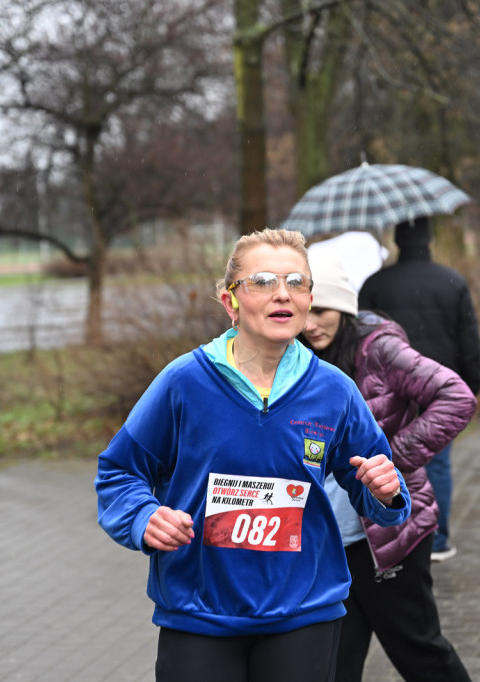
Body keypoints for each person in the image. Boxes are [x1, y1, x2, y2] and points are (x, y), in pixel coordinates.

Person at [95, 228, 411, 682]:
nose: (283, 293)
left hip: (305, 615)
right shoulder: (184, 382)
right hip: (200, 614)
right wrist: (142, 516)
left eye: (297, 282)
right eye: (263, 281)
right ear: (230, 302)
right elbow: (119, 471)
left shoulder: (334, 390)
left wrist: (384, 490)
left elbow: (381, 489)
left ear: (308, 300)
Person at [301, 252, 476, 682]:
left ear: (343, 307)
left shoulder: (378, 349)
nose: (310, 325)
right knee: (334, 666)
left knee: (419, 652)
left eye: (320, 311)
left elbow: (457, 397)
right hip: (329, 542)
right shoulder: (294, 357)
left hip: (388, 534)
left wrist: (390, 459)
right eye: (303, 313)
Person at [359, 215, 480, 562]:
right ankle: (438, 539)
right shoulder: (452, 281)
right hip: (437, 389)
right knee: (437, 464)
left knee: (390, 464)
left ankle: (401, 536)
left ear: (397, 242)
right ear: (429, 241)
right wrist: (471, 384)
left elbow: (361, 337)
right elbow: (468, 339)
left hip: (389, 391)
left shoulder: (375, 283)